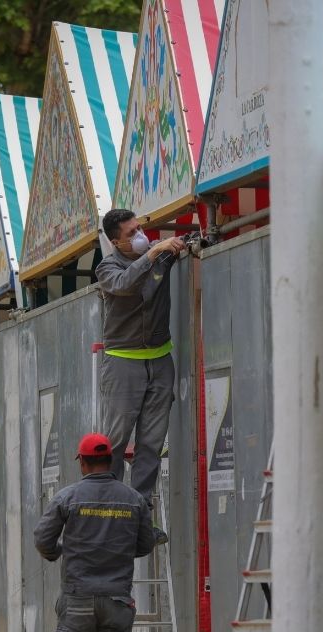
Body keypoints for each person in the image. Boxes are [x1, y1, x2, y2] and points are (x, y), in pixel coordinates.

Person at [34, 433, 158, 632]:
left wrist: (60, 550)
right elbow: (145, 544)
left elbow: (43, 539)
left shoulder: (67, 497)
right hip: (117, 599)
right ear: (110, 461)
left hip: (77, 599)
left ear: (83, 462)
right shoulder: (133, 499)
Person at [95, 209, 187, 504]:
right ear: (115, 242)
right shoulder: (107, 268)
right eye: (130, 234)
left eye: (138, 229)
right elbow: (124, 284)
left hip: (160, 360)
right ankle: (109, 504)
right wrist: (154, 252)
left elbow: (189, 244)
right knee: (117, 438)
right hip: (123, 361)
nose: (139, 237)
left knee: (152, 442)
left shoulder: (159, 255)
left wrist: (182, 244)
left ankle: (139, 507)